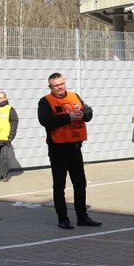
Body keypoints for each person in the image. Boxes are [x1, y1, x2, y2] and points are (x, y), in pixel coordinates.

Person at [37, 73, 101, 230]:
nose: (60, 87)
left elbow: (88, 113)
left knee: (80, 183)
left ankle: (82, 217)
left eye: (62, 84)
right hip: (58, 148)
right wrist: (68, 118)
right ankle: (63, 219)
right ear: (50, 87)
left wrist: (83, 114)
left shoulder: (74, 97)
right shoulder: (46, 101)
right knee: (59, 185)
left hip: (75, 147)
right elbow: (45, 121)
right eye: (56, 86)